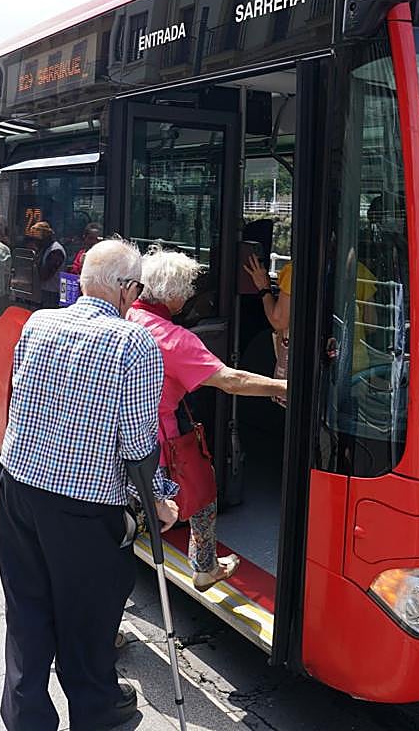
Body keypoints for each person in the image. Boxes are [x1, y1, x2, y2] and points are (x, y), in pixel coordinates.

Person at [0, 239, 179, 731]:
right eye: (137, 288)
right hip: (84, 506)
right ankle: (97, 712)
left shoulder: (39, 322)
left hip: (18, 490)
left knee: (28, 611)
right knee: (87, 620)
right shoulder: (134, 341)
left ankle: (25, 715)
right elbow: (138, 442)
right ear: (125, 290)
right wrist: (159, 499)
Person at [128, 249, 286, 591]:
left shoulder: (128, 316)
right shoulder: (174, 339)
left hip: (116, 434)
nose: (189, 295)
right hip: (158, 439)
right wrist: (287, 386)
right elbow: (232, 381)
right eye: (186, 288)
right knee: (201, 490)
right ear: (171, 294)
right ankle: (205, 567)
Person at [30, 221, 65, 308]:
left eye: (37, 238)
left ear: (45, 236)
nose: (35, 241)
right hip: (43, 291)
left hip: (53, 293)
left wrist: (36, 258)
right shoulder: (45, 249)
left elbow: (44, 275)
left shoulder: (56, 251)